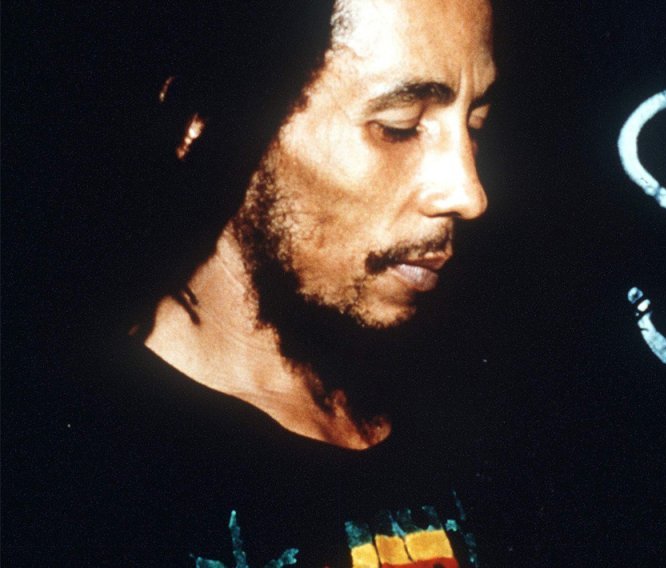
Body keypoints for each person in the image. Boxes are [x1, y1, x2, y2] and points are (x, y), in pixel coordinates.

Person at [4, 1, 509, 566]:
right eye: (400, 126)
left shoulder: (487, 418)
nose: (469, 193)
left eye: (476, 125)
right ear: (203, 121)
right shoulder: (68, 475)